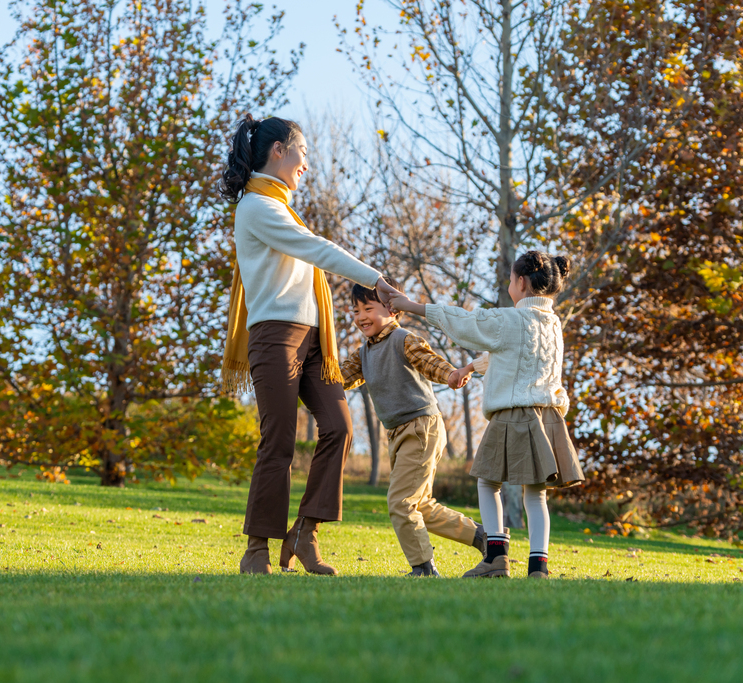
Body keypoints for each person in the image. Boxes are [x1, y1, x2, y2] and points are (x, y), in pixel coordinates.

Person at [219, 114, 401, 575]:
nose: (306, 163)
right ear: (279, 149)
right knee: (277, 441)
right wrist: (374, 279)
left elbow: (309, 248)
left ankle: (305, 533)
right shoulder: (257, 207)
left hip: (315, 339)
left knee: (339, 427)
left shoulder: (280, 206)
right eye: (303, 151)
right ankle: (257, 548)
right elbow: (314, 247)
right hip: (275, 336)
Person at [389, 251, 584, 579]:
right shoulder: (553, 325)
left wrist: (410, 306)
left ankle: (496, 557)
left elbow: (464, 324)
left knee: (488, 482)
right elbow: (511, 356)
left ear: (521, 282)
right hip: (547, 415)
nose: (510, 284)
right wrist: (471, 366)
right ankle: (539, 566)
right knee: (536, 494)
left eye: (510, 279)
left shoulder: (509, 320)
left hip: (514, 414)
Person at [340, 280, 486, 577]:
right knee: (421, 504)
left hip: (421, 427)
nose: (360, 316)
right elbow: (337, 377)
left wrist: (451, 375)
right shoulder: (364, 353)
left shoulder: (402, 339)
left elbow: (429, 361)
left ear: (392, 310)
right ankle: (486, 538)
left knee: (401, 502)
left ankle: (423, 568)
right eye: (356, 311)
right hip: (398, 432)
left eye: (369, 308)